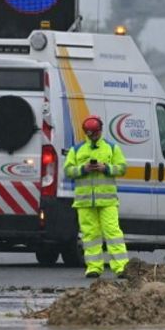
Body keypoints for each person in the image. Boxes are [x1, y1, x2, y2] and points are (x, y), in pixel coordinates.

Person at [63, 115, 130, 278]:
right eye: (90, 133)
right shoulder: (77, 150)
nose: (93, 136)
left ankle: (121, 267)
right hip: (85, 201)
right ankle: (94, 267)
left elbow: (122, 167)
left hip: (107, 201)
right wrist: (83, 169)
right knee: (90, 235)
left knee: (113, 232)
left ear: (100, 131)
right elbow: (68, 170)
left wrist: (106, 168)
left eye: (95, 133)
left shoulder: (111, 148)